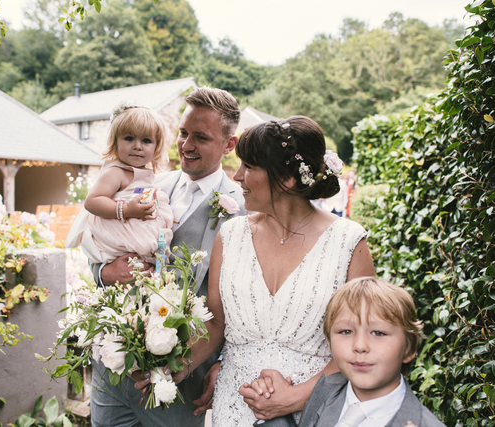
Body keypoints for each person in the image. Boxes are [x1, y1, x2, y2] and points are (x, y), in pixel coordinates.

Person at [175, 116, 376, 426]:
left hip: (316, 409)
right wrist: (168, 368)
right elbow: (215, 326)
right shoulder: (229, 236)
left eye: (249, 167)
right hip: (235, 407)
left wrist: (295, 398)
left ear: (286, 179)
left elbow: (364, 342)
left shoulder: (348, 242)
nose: (237, 176)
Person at [90, 87, 247, 427]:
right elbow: (96, 240)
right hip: (112, 371)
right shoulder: (140, 182)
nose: (186, 146)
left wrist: (225, 364)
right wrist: (105, 273)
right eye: (183, 133)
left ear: (229, 145)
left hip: (178, 382)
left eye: (201, 138)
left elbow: (245, 305)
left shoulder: (244, 210)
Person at [257, 277, 445, 427]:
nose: (360, 345)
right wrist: (270, 404)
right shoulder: (327, 389)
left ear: (409, 349)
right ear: (330, 341)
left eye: (378, 333)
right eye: (346, 331)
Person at [66, 104, 173, 266]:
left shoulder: (146, 173)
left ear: (156, 147)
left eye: (146, 140)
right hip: (118, 232)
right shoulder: (116, 172)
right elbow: (92, 201)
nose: (137, 146)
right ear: (115, 142)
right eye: (129, 139)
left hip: (136, 231)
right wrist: (127, 209)